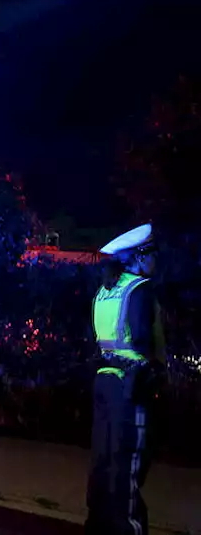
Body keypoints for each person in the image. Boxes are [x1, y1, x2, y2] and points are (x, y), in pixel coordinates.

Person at [85, 223, 168, 535]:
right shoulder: (140, 290)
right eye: (153, 254)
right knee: (128, 465)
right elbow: (145, 341)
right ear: (139, 257)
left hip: (104, 381)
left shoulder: (104, 292)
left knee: (103, 463)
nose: (156, 260)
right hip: (131, 385)